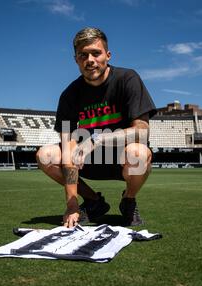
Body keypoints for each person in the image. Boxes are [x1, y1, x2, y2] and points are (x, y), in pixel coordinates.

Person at [36, 27, 156, 228]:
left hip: (122, 158)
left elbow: (142, 132)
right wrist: (72, 203)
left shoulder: (127, 79)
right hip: (88, 161)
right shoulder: (69, 95)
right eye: (83, 55)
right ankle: (93, 202)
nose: (90, 59)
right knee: (45, 155)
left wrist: (97, 139)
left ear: (107, 55)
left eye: (96, 53)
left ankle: (128, 200)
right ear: (76, 60)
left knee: (139, 153)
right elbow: (68, 151)